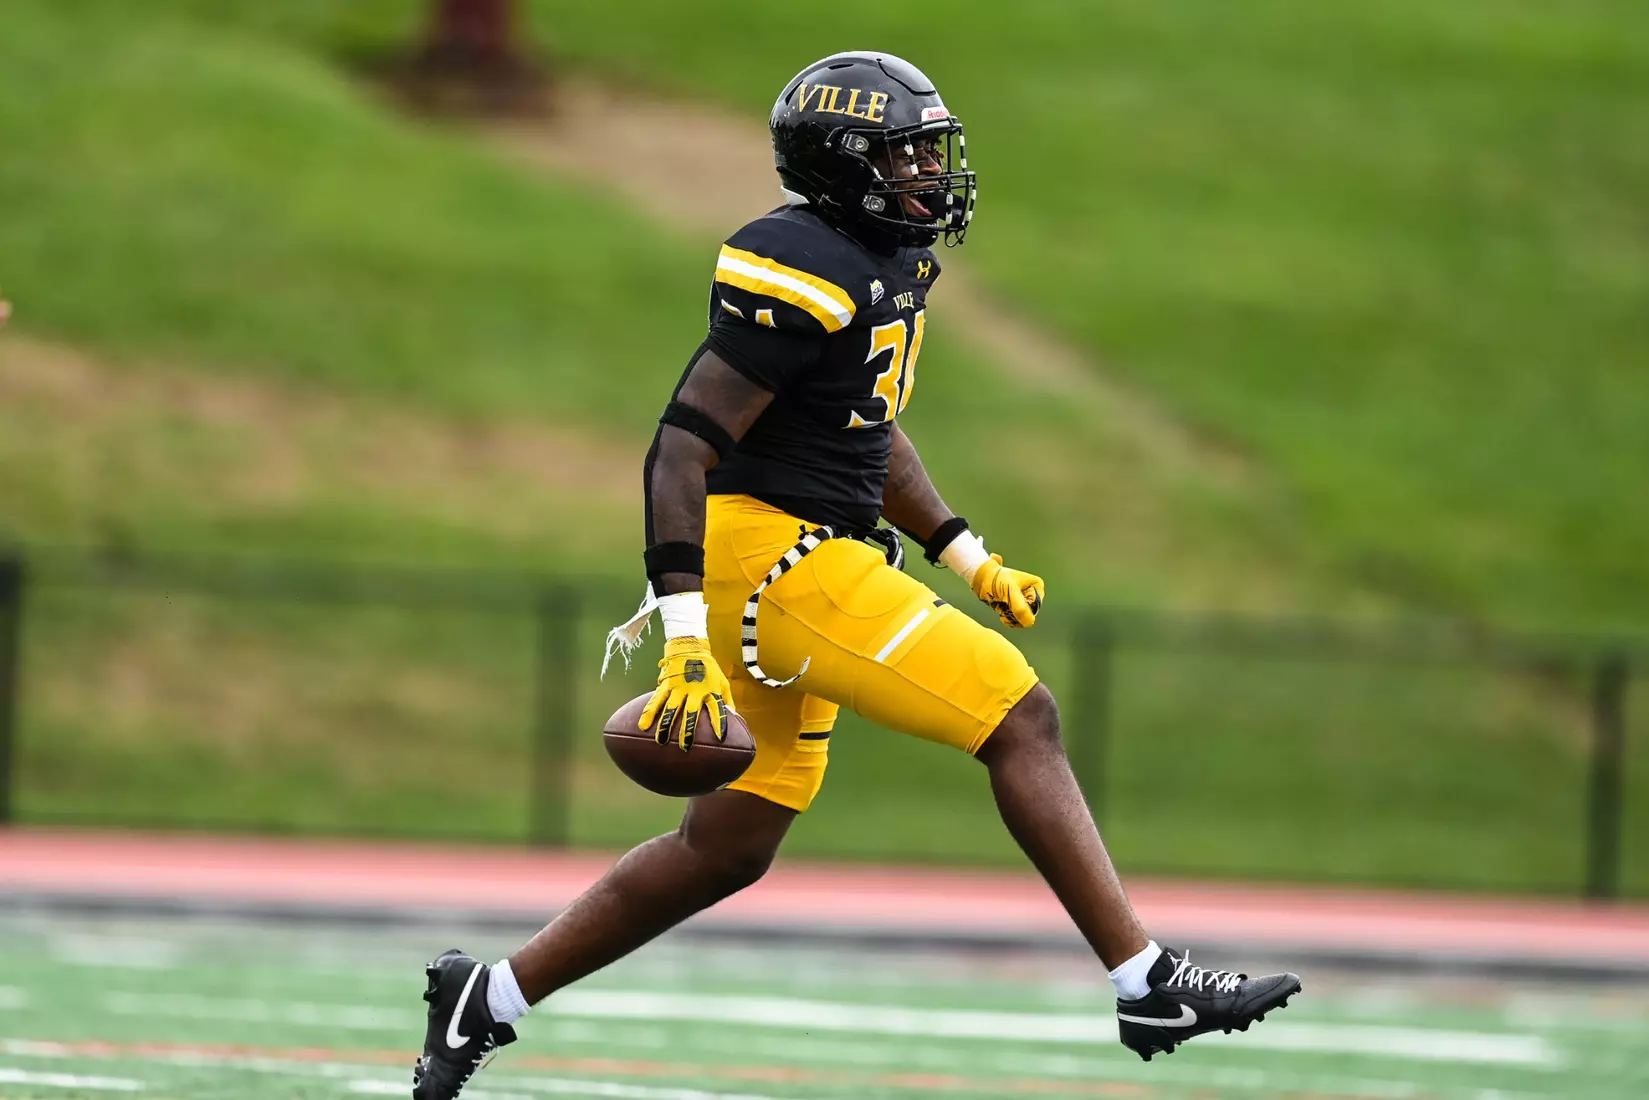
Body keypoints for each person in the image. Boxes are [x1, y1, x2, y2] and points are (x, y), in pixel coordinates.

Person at [412, 50, 1300, 1100]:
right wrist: (686, 637)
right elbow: (679, 450)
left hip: (804, 551)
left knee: (727, 844)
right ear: (842, 167)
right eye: (905, 153)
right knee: (1021, 716)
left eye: (931, 149)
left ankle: (489, 999)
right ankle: (1148, 980)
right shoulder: (798, 261)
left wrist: (963, 548)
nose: (930, 170)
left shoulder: (884, 260)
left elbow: (866, 427)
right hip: (776, 560)